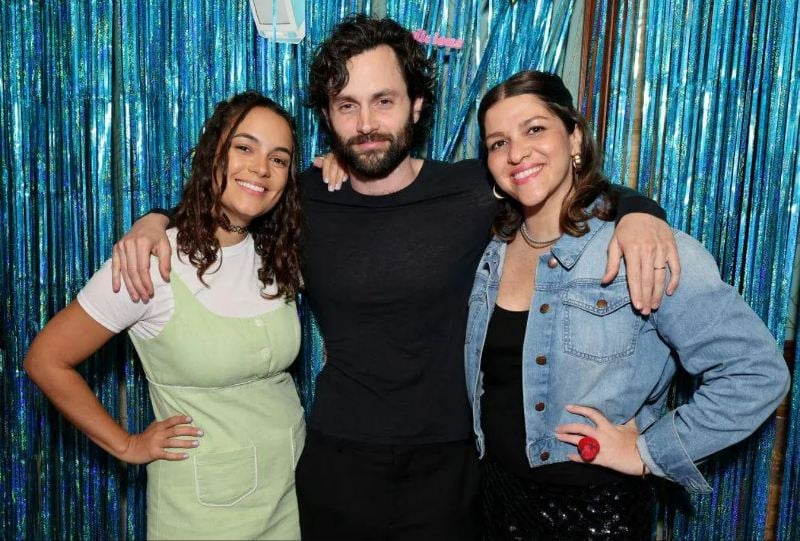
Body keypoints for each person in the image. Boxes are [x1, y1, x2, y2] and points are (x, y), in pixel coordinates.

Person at [111, 16, 681, 540]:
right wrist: (154, 221)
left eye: (383, 101)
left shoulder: (474, 190)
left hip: (452, 467)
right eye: (346, 105)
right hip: (337, 461)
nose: (365, 125)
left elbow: (555, 182)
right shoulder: (306, 197)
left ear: (416, 105)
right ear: (328, 117)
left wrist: (638, 212)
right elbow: (228, 201)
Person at [466, 70, 790, 540]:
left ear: (574, 136)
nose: (516, 153)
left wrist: (648, 452)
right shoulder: (492, 250)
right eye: (497, 143)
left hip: (598, 516)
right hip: (495, 501)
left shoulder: (640, 247)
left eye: (534, 129)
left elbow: (758, 372)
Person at [24, 91, 306, 540]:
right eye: (244, 147)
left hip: (289, 499)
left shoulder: (276, 253)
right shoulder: (152, 261)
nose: (261, 168)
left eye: (279, 159)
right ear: (214, 152)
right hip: (204, 516)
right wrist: (127, 445)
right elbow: (46, 359)